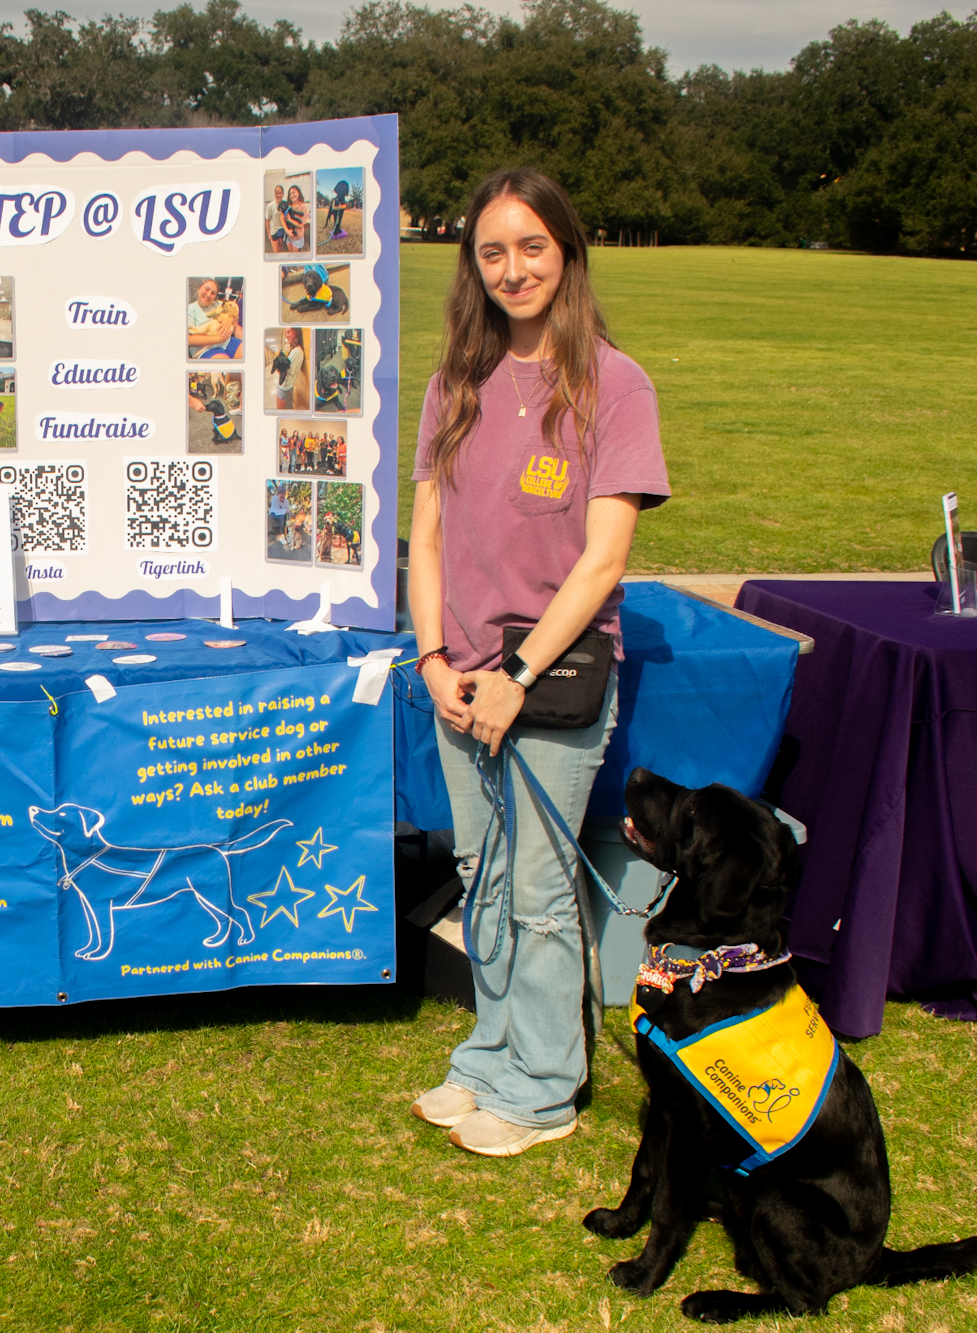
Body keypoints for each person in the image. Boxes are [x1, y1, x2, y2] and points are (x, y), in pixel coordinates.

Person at [407, 167, 669, 1157]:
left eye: (530, 247)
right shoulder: (453, 383)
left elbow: (604, 557)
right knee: (479, 873)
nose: (511, 270)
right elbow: (425, 534)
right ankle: (492, 1050)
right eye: (490, 251)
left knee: (537, 887)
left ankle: (545, 1085)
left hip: (547, 683)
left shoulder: (614, 384)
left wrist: (514, 681)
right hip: (457, 675)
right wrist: (434, 659)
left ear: (565, 252)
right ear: (471, 266)